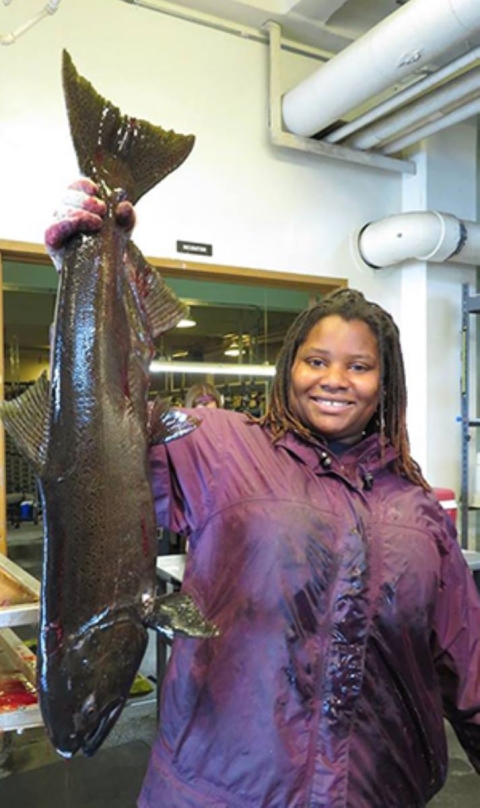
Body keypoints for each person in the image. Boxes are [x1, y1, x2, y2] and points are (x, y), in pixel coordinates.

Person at [45, 181, 480, 808]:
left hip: (379, 790)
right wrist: (85, 269)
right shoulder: (216, 445)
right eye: (316, 361)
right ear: (289, 368)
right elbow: (93, 439)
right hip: (218, 791)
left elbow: (467, 665)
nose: (335, 380)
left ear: (385, 385)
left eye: (359, 367)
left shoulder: (415, 509)